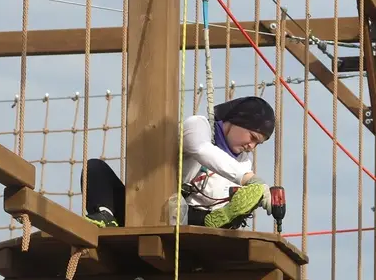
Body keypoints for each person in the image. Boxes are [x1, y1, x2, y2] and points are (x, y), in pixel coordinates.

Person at [81, 96, 277, 230]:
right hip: (151, 206)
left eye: (257, 143)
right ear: (236, 121)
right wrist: (249, 179)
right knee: (94, 169)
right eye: (252, 137)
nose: (251, 146)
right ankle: (106, 217)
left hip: (193, 224)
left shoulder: (243, 162)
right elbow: (201, 149)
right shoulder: (198, 126)